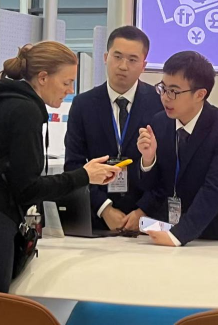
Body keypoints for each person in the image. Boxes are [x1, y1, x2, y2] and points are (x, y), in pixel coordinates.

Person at [0, 41, 122, 293]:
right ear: (43, 78)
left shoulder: (0, 101)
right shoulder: (24, 110)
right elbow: (27, 189)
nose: (70, 90)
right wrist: (84, 176)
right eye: (66, 82)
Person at [137, 51, 218, 246]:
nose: (165, 97)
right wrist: (148, 160)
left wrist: (177, 236)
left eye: (174, 91)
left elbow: (214, 190)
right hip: (174, 230)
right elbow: (155, 186)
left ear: (200, 94)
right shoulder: (159, 123)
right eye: (163, 88)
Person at [65, 26, 162, 231]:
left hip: (147, 221)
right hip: (96, 219)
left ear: (143, 65)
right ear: (105, 57)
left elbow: (167, 166)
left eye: (132, 60)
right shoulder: (83, 105)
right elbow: (74, 165)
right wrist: (104, 208)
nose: (123, 66)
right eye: (117, 57)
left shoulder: (160, 104)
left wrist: (143, 210)